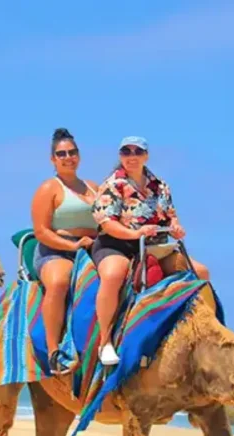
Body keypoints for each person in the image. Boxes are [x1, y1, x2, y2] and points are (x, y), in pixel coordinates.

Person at [90, 135, 210, 366]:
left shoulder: (159, 185)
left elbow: (170, 215)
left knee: (201, 272)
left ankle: (205, 331)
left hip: (155, 245)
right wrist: (135, 233)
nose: (132, 157)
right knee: (114, 275)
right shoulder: (113, 185)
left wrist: (175, 227)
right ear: (120, 156)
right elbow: (107, 223)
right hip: (117, 244)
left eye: (137, 152)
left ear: (146, 155)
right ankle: (105, 341)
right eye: (127, 152)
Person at [30, 128, 99, 374]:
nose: (68, 157)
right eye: (62, 154)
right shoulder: (49, 188)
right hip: (56, 251)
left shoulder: (93, 187)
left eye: (72, 152)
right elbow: (41, 231)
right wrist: (72, 246)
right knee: (60, 282)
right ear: (53, 159)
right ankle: (53, 350)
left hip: (92, 248)